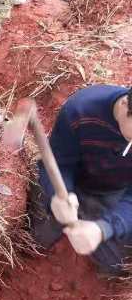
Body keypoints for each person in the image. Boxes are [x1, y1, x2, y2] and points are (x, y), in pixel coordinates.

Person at [30, 85, 132, 276]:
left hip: (114, 194)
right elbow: (59, 163)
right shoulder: (81, 110)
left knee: (115, 264)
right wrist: (57, 196)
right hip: (73, 182)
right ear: (126, 104)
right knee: (36, 236)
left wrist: (104, 228)